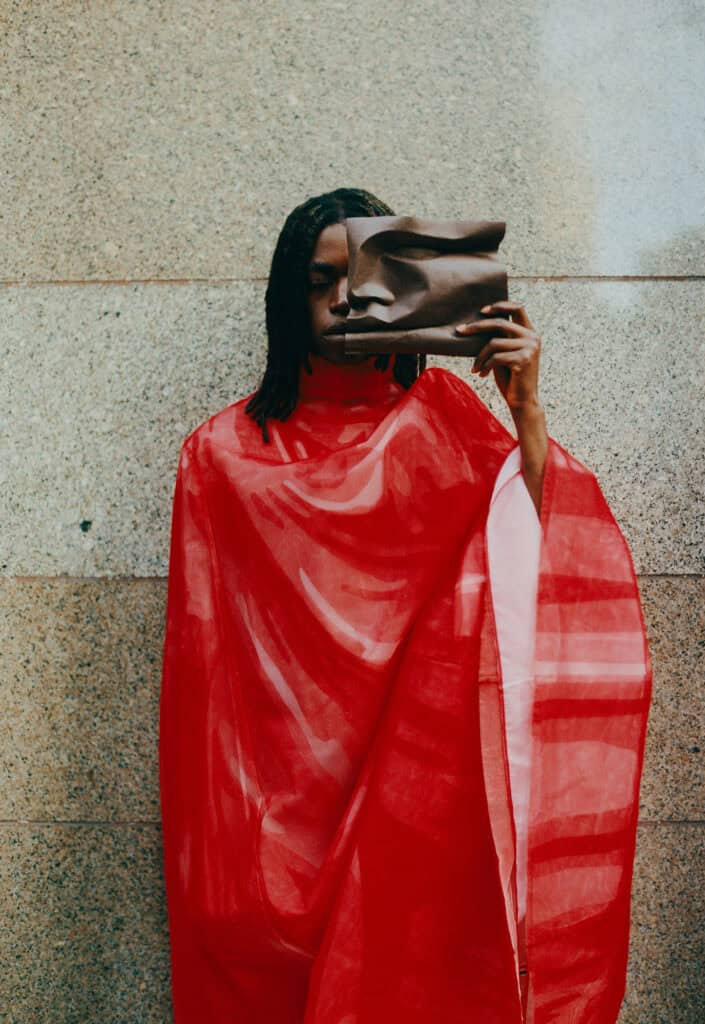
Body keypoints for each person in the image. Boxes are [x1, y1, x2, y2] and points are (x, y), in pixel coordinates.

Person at [159, 187, 652, 1023]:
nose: (346, 298)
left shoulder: (450, 427)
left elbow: (545, 560)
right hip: (268, 850)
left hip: (415, 829)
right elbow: (201, 682)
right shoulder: (221, 456)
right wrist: (218, 864)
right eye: (322, 281)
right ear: (288, 297)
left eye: (367, 279)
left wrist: (525, 405)